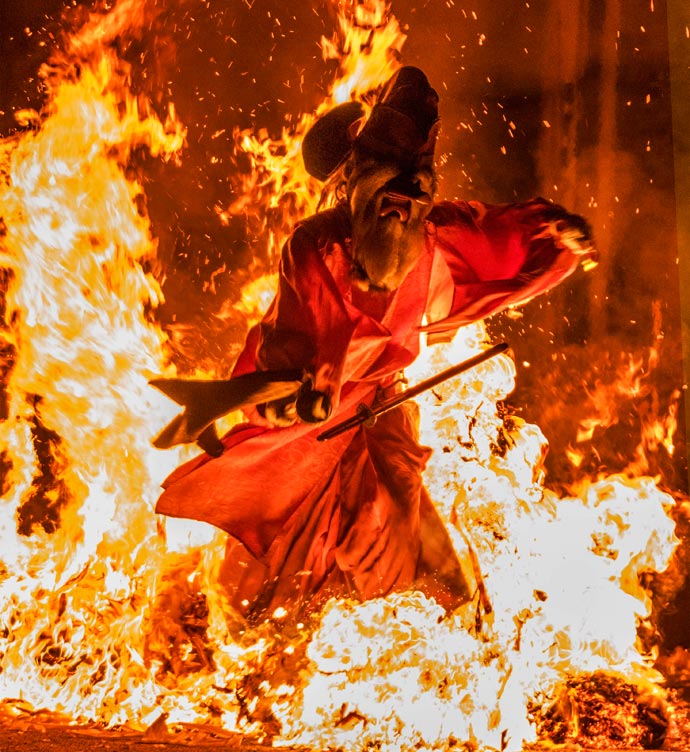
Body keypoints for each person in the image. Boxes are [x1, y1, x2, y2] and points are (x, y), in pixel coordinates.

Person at [154, 67, 597, 622]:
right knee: (271, 596)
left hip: (377, 423)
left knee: (433, 575)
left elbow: (498, 235)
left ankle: (443, 663)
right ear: (354, 179)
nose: (408, 197)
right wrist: (238, 398)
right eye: (391, 181)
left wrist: (554, 233)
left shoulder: (436, 239)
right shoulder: (315, 247)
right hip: (306, 439)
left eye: (419, 183)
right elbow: (296, 358)